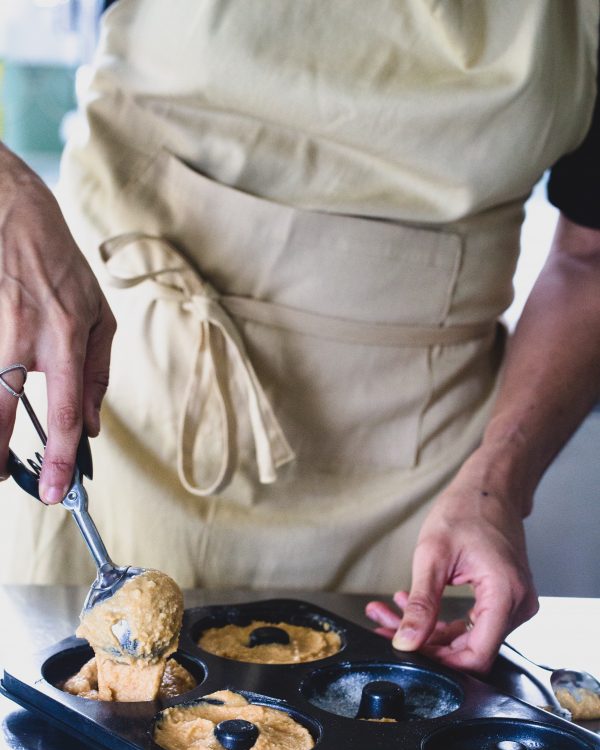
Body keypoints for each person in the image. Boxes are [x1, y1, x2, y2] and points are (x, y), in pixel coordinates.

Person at [0, 0, 599, 674]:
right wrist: (10, 192)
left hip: (421, 485)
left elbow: (590, 256)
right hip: (122, 411)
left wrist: (501, 483)